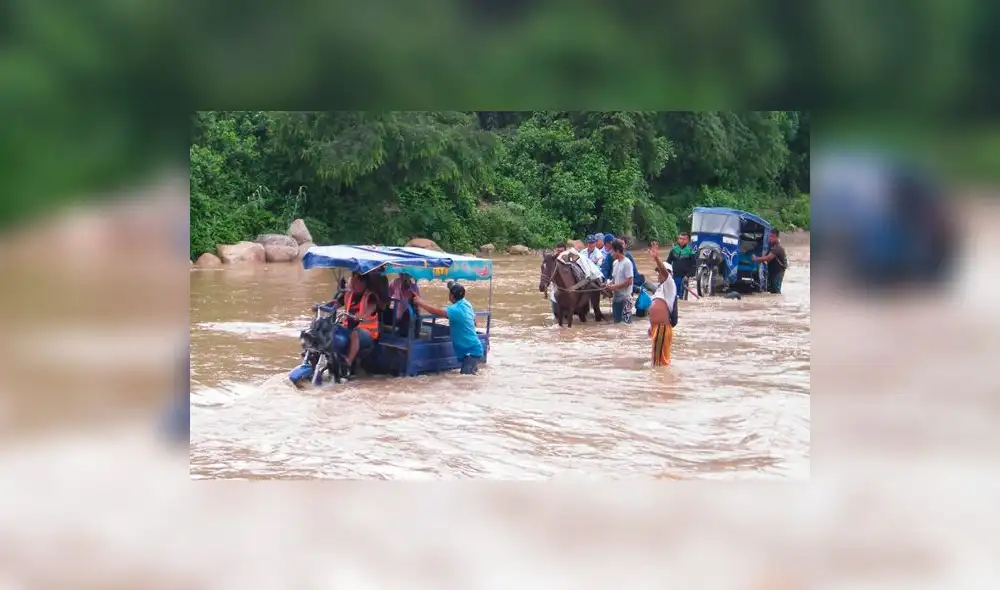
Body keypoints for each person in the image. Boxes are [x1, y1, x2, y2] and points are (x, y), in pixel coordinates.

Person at [412, 280, 485, 374]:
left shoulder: (455, 310)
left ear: (451, 296)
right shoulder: (466, 304)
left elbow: (436, 311)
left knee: (466, 380)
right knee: (470, 378)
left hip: (470, 353)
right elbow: (475, 322)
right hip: (473, 349)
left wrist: (420, 302)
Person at [333, 272, 380, 375]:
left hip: (368, 333)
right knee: (333, 329)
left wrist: (361, 315)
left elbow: (371, 308)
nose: (353, 285)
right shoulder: (349, 294)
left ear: (364, 283)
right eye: (352, 282)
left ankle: (348, 363)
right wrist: (322, 307)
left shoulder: (370, 296)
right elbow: (335, 304)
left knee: (356, 333)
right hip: (348, 329)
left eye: (356, 282)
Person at [648, 243, 677, 366]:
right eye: (657, 272)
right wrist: (651, 326)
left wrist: (656, 258)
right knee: (658, 360)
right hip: (657, 328)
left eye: (660, 272)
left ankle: (659, 383)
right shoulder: (660, 289)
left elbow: (665, 273)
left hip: (662, 328)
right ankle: (662, 382)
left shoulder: (669, 284)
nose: (659, 274)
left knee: (658, 363)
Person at [604, 240, 634, 324]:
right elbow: (614, 279)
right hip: (616, 298)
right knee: (617, 324)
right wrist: (609, 284)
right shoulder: (615, 263)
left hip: (626, 299)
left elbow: (629, 281)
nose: (611, 253)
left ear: (617, 251)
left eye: (612, 251)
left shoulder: (627, 263)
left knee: (626, 325)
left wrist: (614, 287)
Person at [753, 229, 788, 294]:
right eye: (770, 236)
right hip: (772, 271)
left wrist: (757, 259)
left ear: (777, 237)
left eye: (772, 237)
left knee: (776, 290)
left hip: (778, 272)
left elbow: (768, 257)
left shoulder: (778, 248)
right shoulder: (771, 246)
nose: (770, 238)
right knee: (771, 290)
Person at [387, 272, 421, 337]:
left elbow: (418, 304)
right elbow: (388, 296)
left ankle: (410, 335)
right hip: (397, 314)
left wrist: (410, 291)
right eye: (401, 274)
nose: (403, 277)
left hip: (409, 314)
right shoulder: (395, 283)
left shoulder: (413, 286)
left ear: (409, 276)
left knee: (410, 315)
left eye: (405, 275)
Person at [667, 233, 695, 300]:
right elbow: (668, 262)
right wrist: (668, 273)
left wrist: (688, 276)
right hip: (674, 276)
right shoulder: (674, 250)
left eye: (684, 239)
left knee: (682, 297)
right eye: (680, 239)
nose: (682, 240)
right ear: (678, 239)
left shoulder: (691, 251)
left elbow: (694, 266)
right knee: (673, 295)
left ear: (688, 241)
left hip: (684, 278)